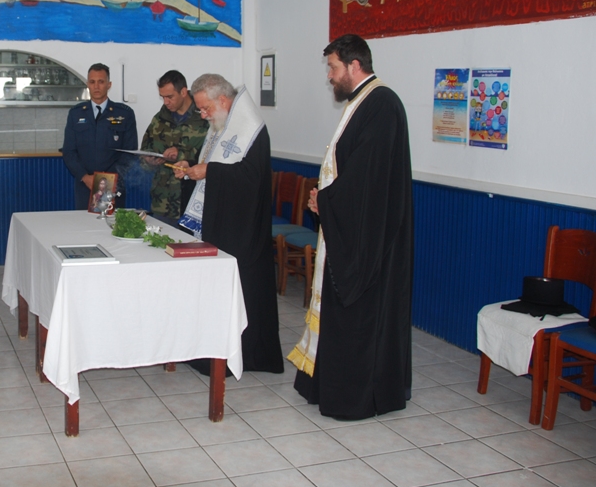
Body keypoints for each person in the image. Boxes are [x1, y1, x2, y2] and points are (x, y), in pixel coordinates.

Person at [289, 34, 413, 421]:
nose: (329, 76)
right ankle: (325, 383)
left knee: (359, 315)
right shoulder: (363, 101)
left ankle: (355, 395)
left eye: (333, 68)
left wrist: (326, 201)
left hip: (369, 239)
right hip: (351, 225)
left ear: (354, 66)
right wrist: (326, 200)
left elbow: (367, 178)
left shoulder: (382, 104)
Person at [172, 74, 283, 374]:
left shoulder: (250, 128)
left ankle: (246, 354)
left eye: (205, 108)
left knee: (243, 290)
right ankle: (207, 349)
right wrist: (190, 167)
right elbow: (212, 162)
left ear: (222, 99)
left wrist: (209, 171)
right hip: (221, 222)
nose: (202, 114)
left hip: (242, 229)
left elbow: (251, 178)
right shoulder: (220, 125)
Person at [62, 63, 137, 210]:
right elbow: (69, 151)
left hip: (114, 184)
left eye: (101, 82)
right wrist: (85, 177)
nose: (96, 86)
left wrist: (108, 180)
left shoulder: (124, 114)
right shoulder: (76, 114)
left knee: (113, 223)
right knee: (84, 224)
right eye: (92, 82)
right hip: (85, 185)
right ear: (87, 84)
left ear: (109, 85)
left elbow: (129, 152)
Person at [140, 70, 209, 224]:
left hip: (193, 200)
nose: (165, 102)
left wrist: (181, 154)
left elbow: (212, 155)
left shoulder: (204, 117)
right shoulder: (159, 119)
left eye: (170, 97)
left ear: (183, 92)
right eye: (162, 97)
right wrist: (149, 160)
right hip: (163, 200)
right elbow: (145, 149)